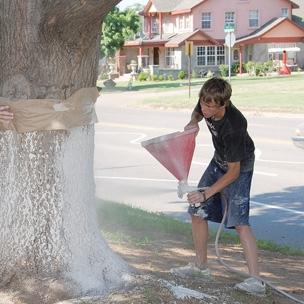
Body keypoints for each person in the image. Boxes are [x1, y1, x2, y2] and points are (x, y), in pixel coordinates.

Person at [174, 77, 265, 295]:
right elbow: (197, 110)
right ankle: (201, 267)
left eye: (209, 106)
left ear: (223, 104)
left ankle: (256, 282)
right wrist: (193, 121)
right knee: (197, 211)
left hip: (239, 166)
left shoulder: (234, 126)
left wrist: (206, 193)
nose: (205, 108)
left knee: (240, 222)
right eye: (203, 103)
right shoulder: (207, 100)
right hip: (219, 160)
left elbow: (233, 172)